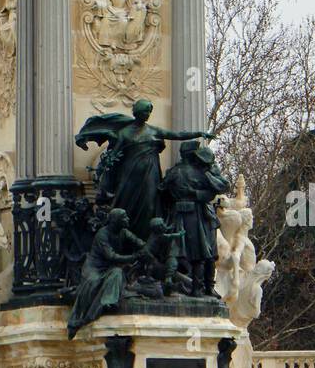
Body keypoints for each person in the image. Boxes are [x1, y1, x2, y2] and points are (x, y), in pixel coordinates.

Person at [76, 99, 208, 241]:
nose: (147, 114)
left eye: (149, 112)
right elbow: (113, 155)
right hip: (129, 175)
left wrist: (199, 133)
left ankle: (146, 241)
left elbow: (177, 135)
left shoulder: (154, 130)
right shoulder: (125, 133)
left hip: (151, 174)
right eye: (145, 111)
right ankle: (125, 242)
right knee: (125, 204)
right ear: (137, 113)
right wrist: (102, 170)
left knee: (150, 206)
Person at [161, 140, 230, 297]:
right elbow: (213, 192)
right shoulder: (197, 172)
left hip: (185, 213)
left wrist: (191, 193)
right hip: (195, 214)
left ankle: (198, 287)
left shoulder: (177, 171)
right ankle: (197, 288)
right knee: (199, 252)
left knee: (190, 251)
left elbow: (163, 190)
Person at [67, 208, 144, 339]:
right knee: (93, 283)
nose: (128, 219)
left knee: (117, 273)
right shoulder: (102, 234)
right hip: (94, 267)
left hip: (109, 268)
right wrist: (133, 257)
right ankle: (79, 318)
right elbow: (111, 256)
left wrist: (150, 247)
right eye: (124, 217)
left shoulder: (124, 232)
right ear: (115, 221)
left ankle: (108, 302)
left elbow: (140, 243)